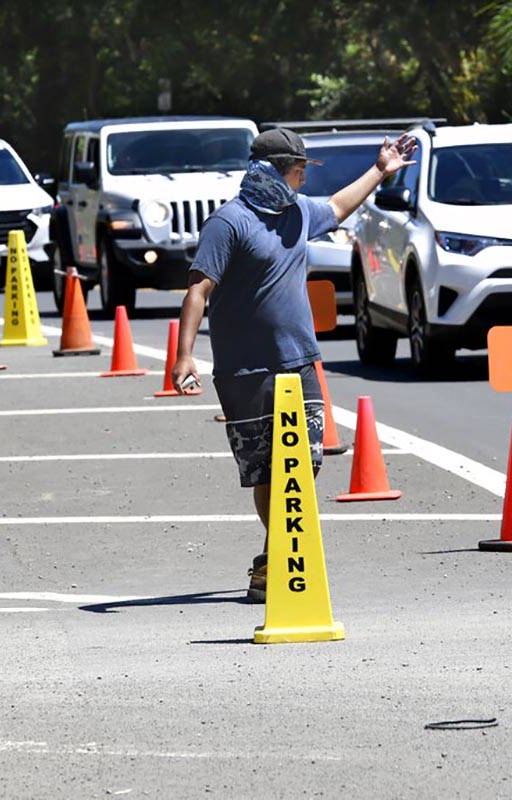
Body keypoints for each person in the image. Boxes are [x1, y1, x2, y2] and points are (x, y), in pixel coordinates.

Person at [171, 127, 416, 602]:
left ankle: (275, 553)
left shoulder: (298, 212)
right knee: (266, 471)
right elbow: (198, 290)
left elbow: (339, 206)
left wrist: (380, 170)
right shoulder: (229, 222)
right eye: (299, 171)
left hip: (299, 361)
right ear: (272, 171)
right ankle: (275, 557)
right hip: (246, 371)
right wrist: (184, 357)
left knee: (307, 460)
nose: (304, 180)